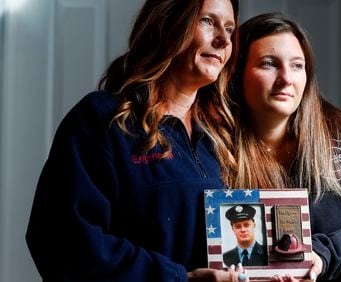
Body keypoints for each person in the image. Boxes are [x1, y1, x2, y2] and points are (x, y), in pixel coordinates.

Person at [25, 0, 247, 281]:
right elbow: (62, 239)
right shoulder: (102, 120)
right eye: (207, 21)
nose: (223, 39)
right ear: (167, 23)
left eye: (229, 28)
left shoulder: (224, 137)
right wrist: (181, 279)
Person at [226, 12, 341, 281]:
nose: (286, 78)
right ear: (237, 72)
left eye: (297, 65)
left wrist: (323, 257)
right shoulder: (214, 146)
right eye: (269, 64)